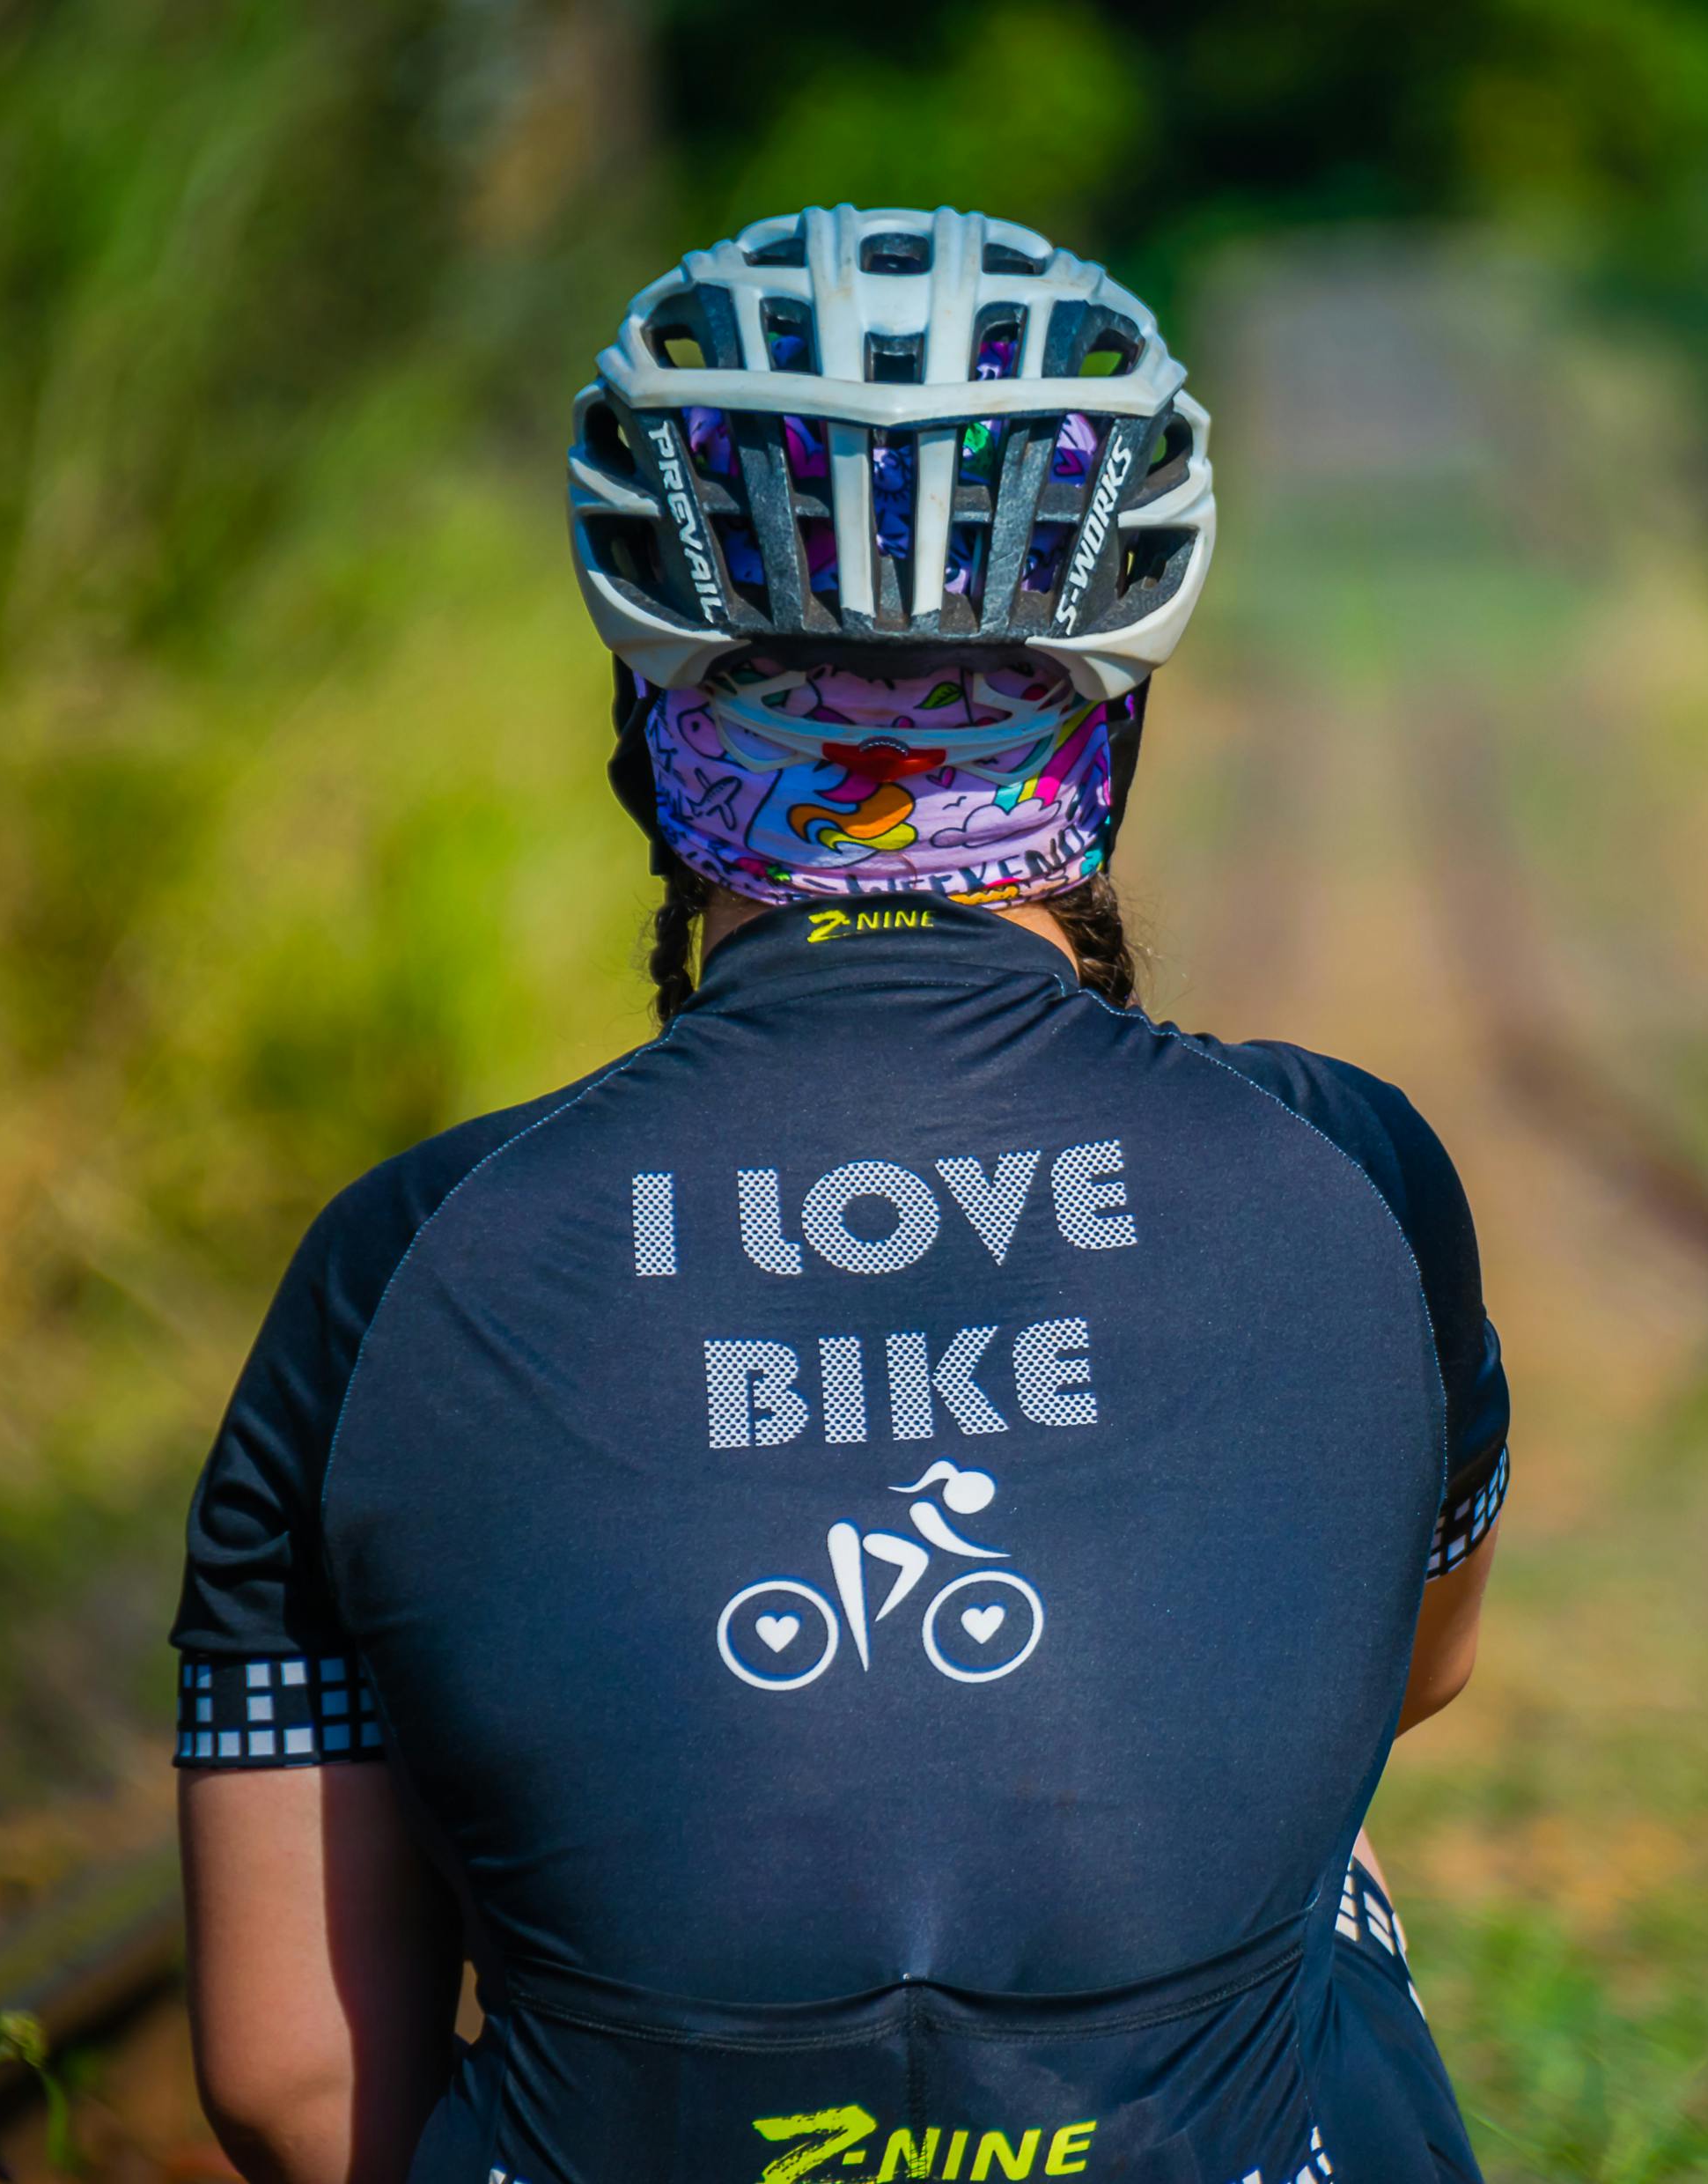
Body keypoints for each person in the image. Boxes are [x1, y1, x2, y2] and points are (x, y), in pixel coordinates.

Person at [171, 206, 1508, 2184]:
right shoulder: (1354, 1170)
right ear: (1109, 710)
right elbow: (1388, 1673)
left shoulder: (399, 1264)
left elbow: (292, 2081)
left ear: (649, 715)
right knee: (1316, 1882)